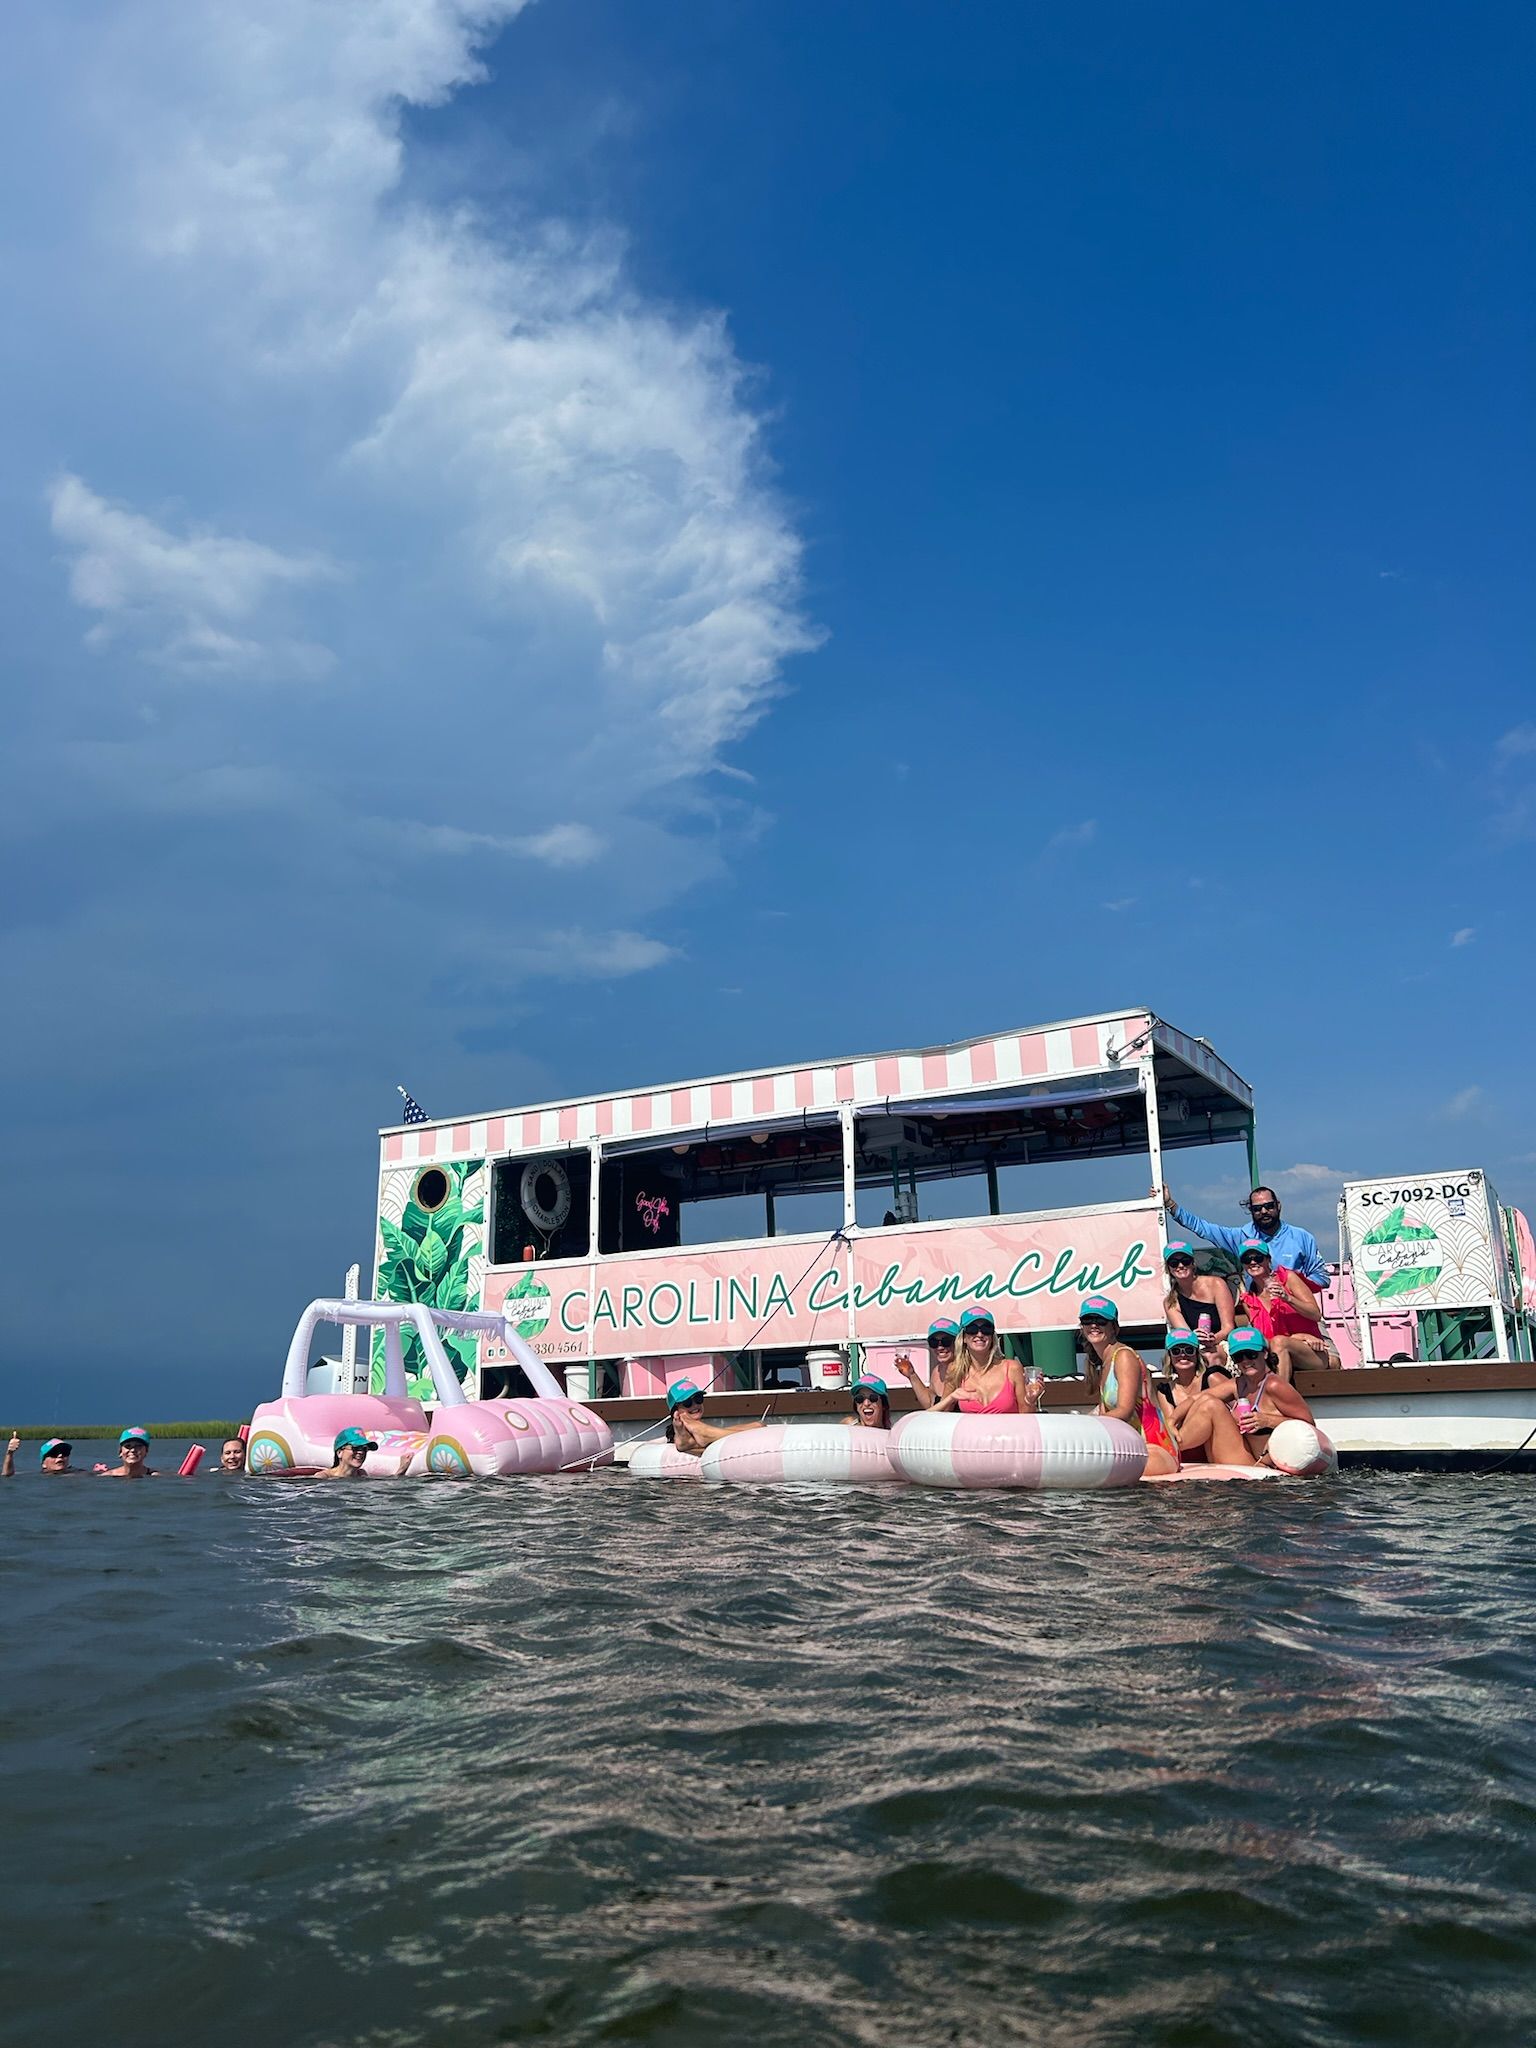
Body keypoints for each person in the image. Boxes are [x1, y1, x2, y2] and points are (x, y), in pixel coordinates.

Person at [1173, 1330, 1317, 1465]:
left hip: (1261, 1464)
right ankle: (1171, 1446)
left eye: (1251, 1354)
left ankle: (1171, 1449)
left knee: (1211, 1405)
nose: (1245, 1361)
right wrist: (1171, 1420)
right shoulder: (1239, 1384)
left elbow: (1309, 1426)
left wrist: (1267, 1420)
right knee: (1207, 1400)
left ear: (1265, 1354)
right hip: (1242, 1457)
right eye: (1239, 1357)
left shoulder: (1274, 1385)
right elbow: (1194, 1399)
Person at [1162, 1183, 1329, 1291]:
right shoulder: (1241, 1236)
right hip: (1260, 1310)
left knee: (1325, 1347)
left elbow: (1321, 1278)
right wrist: (1171, 1204)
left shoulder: (1302, 1237)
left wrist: (1291, 1288)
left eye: (1269, 1206)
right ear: (1251, 1211)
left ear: (1278, 1206)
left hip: (1299, 1309)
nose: (1264, 1211)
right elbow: (1203, 1228)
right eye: (1257, 1208)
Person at [1076, 1297, 1178, 1474]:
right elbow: (1104, 1414)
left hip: (1155, 1449)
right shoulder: (1105, 1363)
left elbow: (1125, 1410)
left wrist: (1085, 1426)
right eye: (1088, 1320)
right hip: (1132, 1449)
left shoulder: (1123, 1356)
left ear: (1114, 1327)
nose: (1094, 1325)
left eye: (1101, 1320)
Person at [1236, 1239, 1330, 1382]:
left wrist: (1288, 1298)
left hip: (1311, 1351)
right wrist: (1297, 1337)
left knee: (1279, 1342)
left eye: (1258, 1257)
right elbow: (1262, 1340)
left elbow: (1315, 1314)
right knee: (1276, 1344)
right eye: (1247, 1259)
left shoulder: (1288, 1279)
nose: (1253, 1262)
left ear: (1268, 1260)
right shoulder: (1249, 1300)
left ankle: (1279, 1397)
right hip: (1277, 1354)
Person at [928, 1309, 1043, 1415]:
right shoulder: (956, 1370)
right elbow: (939, 1416)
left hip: (1007, 1436)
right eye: (972, 1329)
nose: (980, 1334)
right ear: (963, 1338)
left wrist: (1029, 1401)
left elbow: (1026, 1417)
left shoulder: (1012, 1368)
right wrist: (951, 1397)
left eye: (986, 1329)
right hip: (971, 1436)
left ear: (992, 1336)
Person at [1162, 1242, 1236, 1345]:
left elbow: (1228, 1327)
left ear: (1193, 1263)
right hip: (1196, 1347)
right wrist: (1194, 1337)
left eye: (1185, 1261)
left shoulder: (1216, 1284)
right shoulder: (1171, 1302)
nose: (1180, 1265)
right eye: (1174, 1263)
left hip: (1224, 1342)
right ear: (1168, 1268)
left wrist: (1213, 1339)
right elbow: (1185, 1336)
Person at [663, 1379, 755, 1457]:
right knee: (757, 1426)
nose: (695, 1405)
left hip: (694, 1439)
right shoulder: (676, 1440)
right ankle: (703, 1435)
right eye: (688, 1403)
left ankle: (703, 1435)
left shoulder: (694, 1439)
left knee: (758, 1425)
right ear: (676, 1412)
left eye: (698, 1399)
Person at [892, 1317, 959, 1408]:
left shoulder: (962, 1369)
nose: (940, 1347)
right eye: (934, 1342)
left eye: (946, 1341)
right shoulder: (937, 1371)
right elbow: (929, 1404)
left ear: (958, 1342)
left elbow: (944, 1409)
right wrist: (912, 1375)